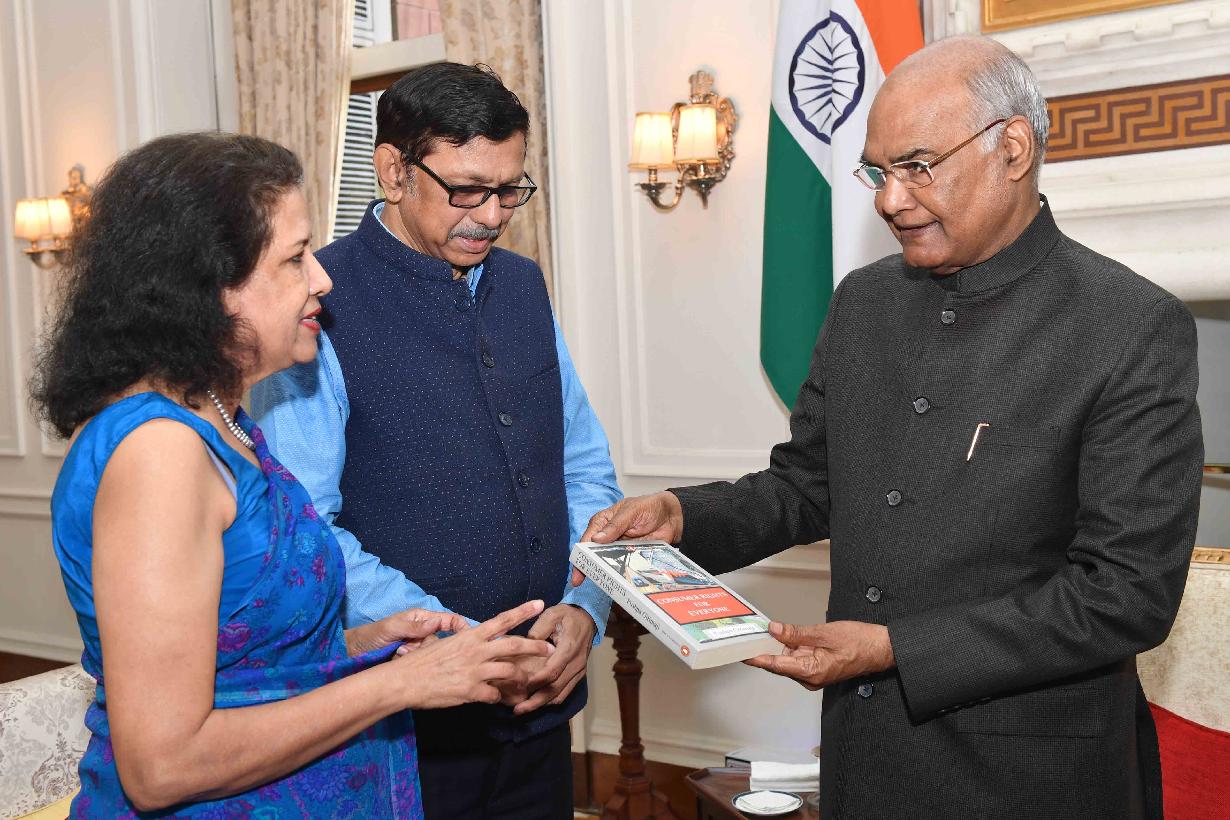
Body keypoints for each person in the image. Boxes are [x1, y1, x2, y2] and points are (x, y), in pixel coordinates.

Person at [579, 36, 1202, 819]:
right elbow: (806, 486)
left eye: (917, 166)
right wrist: (683, 516)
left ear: (1012, 148)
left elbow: (1125, 595)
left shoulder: (1130, 327)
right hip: (865, 761)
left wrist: (895, 649)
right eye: (878, 171)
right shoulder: (864, 302)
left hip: (1030, 782)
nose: (889, 200)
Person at [32, 132, 555, 817]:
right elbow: (161, 765)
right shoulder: (159, 451)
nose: (322, 279)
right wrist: (401, 686)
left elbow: (246, 662)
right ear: (208, 289)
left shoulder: (225, 421)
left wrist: (367, 647)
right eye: (295, 258)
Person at [251, 62, 619, 818]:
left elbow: (584, 468)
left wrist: (586, 605)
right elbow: (306, 527)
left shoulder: (524, 284)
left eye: (509, 190)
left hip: (543, 707)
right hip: (399, 730)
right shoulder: (317, 302)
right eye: (468, 189)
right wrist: (454, 642)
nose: (492, 215)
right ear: (393, 171)